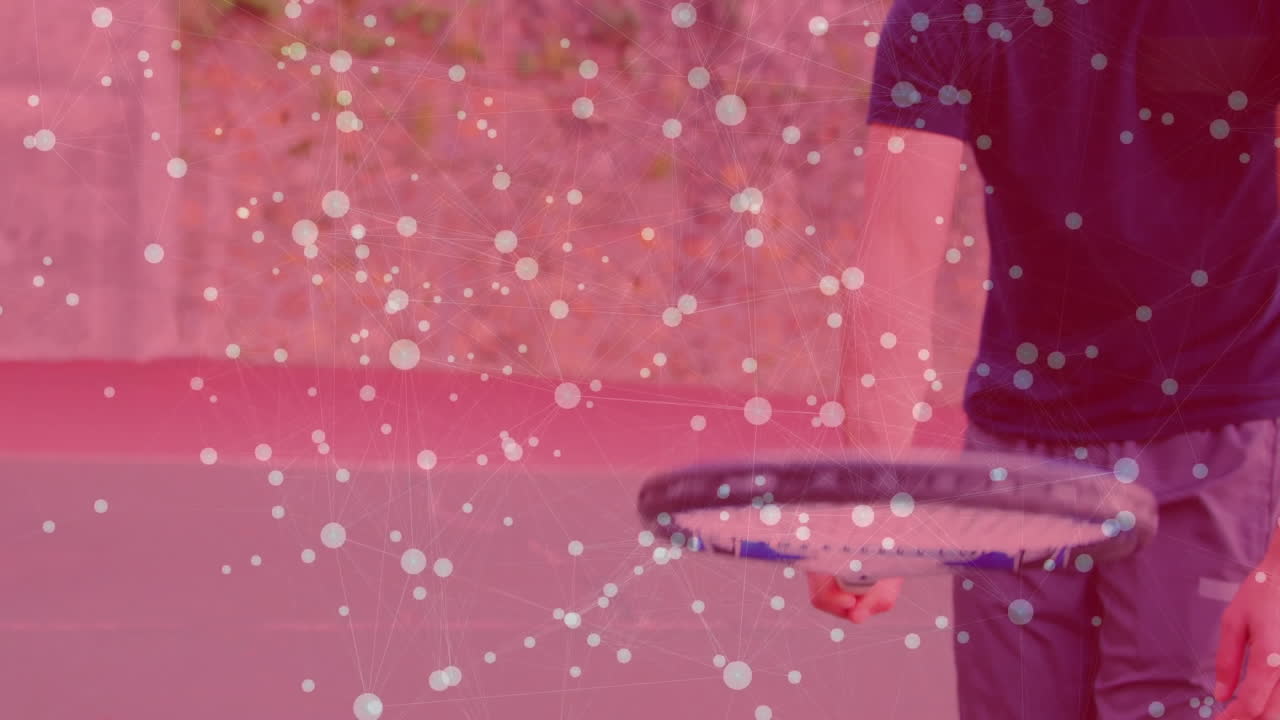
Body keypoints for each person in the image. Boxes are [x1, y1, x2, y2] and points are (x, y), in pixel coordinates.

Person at [807, 2, 1280, 718]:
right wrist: (870, 495)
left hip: (1216, 441)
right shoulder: (943, 14)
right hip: (1017, 464)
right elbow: (894, 264)